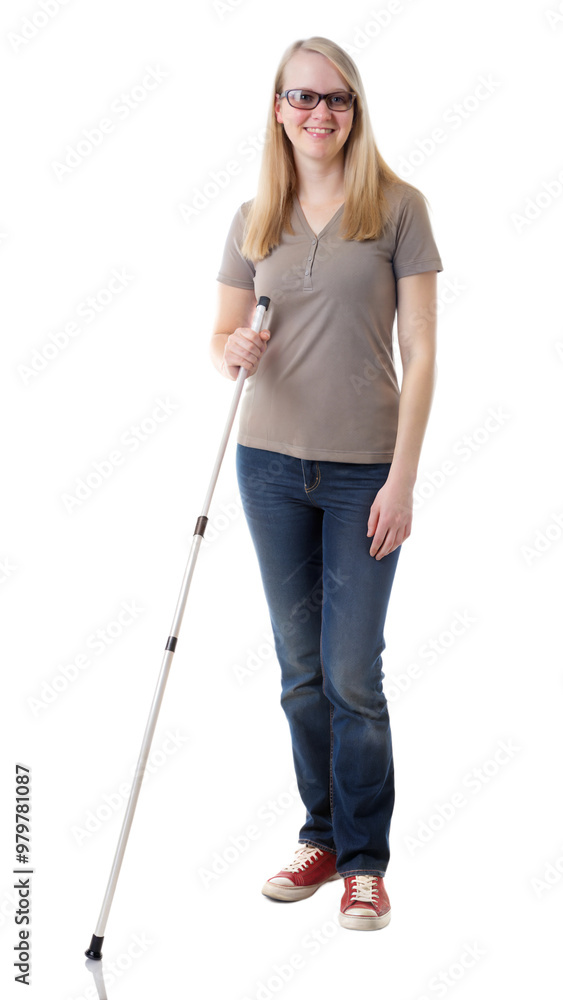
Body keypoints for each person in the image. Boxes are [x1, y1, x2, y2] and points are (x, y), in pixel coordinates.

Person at [210, 36, 443, 932]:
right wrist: (230, 349)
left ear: (355, 109)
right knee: (299, 671)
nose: (320, 113)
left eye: (337, 99)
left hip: (363, 476)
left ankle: (364, 863)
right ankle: (321, 834)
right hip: (266, 466)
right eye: (303, 97)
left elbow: (421, 350)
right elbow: (222, 334)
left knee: (352, 673)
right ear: (278, 109)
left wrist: (404, 477)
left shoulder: (397, 208)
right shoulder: (252, 216)